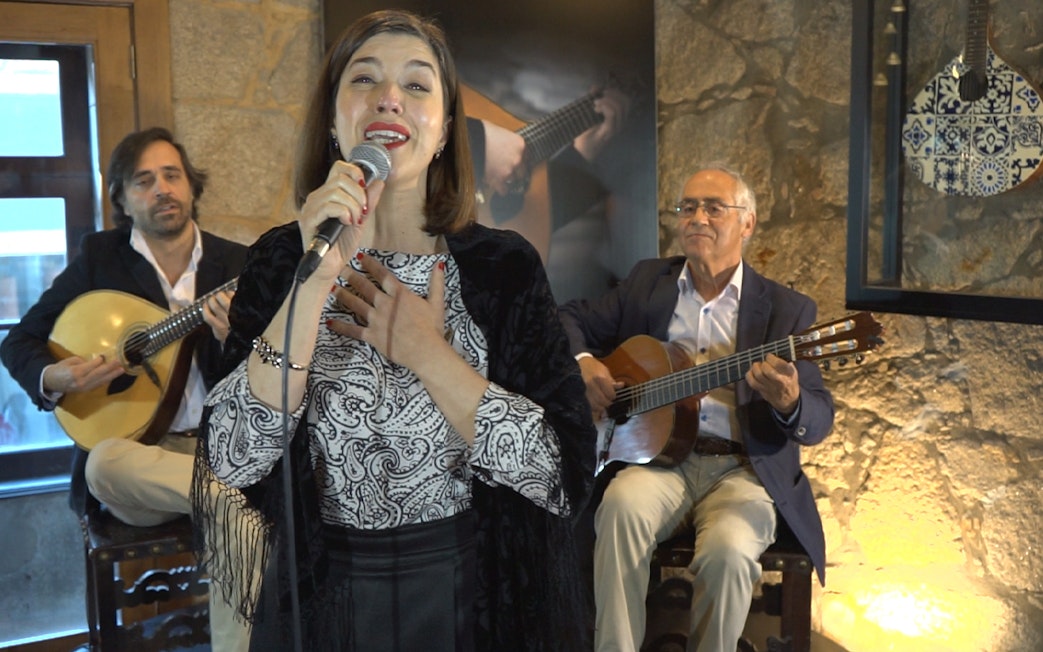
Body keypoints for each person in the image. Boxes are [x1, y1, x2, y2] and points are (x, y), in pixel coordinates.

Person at [193, 9, 596, 652]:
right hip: (323, 595)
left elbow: (560, 473)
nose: (388, 98)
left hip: (467, 593)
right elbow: (237, 458)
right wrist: (316, 277)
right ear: (333, 120)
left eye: (416, 85)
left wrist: (427, 354)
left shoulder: (504, 268)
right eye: (364, 80)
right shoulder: (281, 257)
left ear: (443, 129)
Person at [559, 165, 835, 652]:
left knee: (729, 552)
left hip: (742, 471)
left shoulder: (787, 310)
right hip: (659, 461)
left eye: (713, 207)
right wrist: (585, 363)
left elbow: (818, 419)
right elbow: (568, 318)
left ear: (747, 223)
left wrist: (790, 401)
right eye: (687, 207)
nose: (697, 217)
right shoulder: (650, 281)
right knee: (620, 509)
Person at [0, 127, 251, 650]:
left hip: (221, 448)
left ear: (190, 187)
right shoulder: (100, 259)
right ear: (122, 198)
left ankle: (229, 504)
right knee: (102, 464)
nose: (162, 189)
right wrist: (55, 377)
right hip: (143, 460)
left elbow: (269, 372)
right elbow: (20, 340)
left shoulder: (240, 265)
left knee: (231, 517)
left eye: (172, 176)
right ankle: (238, 499)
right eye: (144, 180)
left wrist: (236, 339)